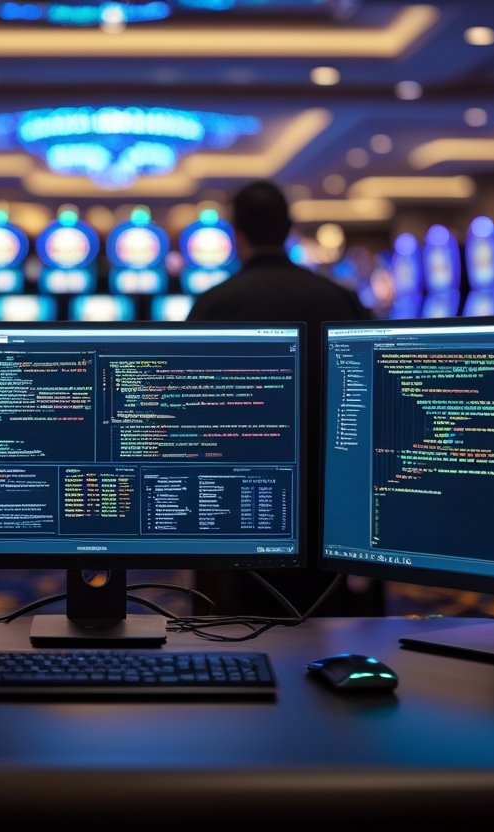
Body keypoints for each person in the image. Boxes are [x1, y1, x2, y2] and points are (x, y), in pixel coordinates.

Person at [186, 179, 379, 617]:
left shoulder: (215, 303)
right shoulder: (341, 297)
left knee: (231, 627)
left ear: (236, 233)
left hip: (236, 500)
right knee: (329, 627)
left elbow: (188, 414)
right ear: (289, 228)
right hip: (334, 497)